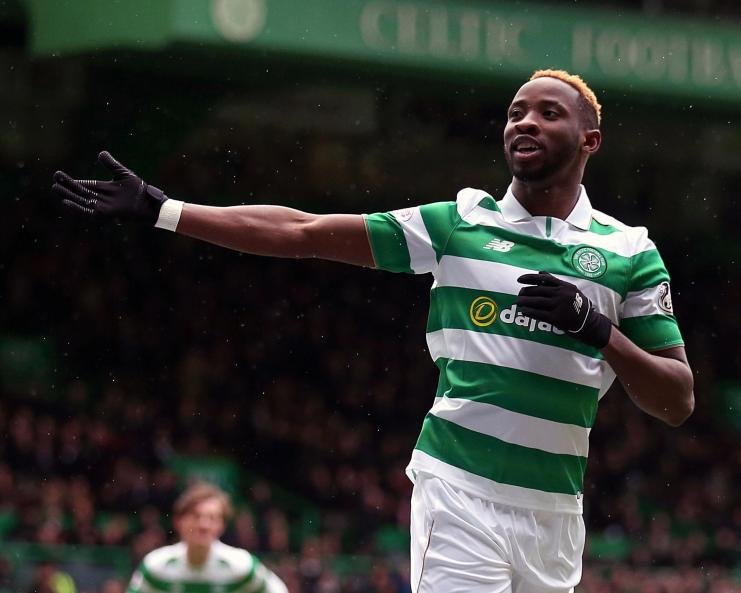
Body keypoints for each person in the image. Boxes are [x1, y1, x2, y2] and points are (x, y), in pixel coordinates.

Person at [53, 69, 695, 593]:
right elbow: (303, 231)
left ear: (590, 140)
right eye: (515, 113)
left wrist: (598, 329)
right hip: (460, 489)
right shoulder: (458, 224)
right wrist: (166, 210)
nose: (524, 122)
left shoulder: (630, 253)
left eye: (548, 114)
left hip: (555, 509)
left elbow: (676, 399)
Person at [125, 483, 287, 593]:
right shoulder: (156, 566)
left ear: (222, 526)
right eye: (196, 516)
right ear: (178, 521)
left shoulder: (240, 565)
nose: (203, 525)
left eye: (212, 518)